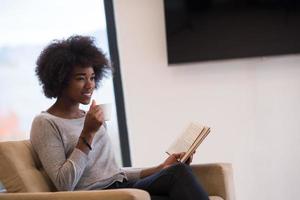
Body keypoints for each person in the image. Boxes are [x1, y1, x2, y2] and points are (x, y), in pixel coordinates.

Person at [30, 35, 209, 200]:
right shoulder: (45, 123)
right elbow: (64, 184)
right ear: (60, 80)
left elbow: (113, 174)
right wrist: (87, 133)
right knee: (178, 180)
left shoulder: (92, 117)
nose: (89, 85)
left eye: (92, 78)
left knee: (178, 171)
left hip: (121, 186)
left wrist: (160, 168)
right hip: (99, 196)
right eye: (80, 78)